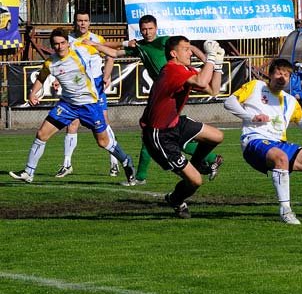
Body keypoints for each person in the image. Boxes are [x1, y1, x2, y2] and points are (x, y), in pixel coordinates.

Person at [86, 14, 223, 185]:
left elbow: (191, 49)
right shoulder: (141, 46)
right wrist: (95, 45)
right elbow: (114, 52)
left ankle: (142, 177)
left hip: (173, 83)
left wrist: (209, 60)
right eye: (144, 29)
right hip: (165, 89)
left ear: (156, 29)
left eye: (150, 29)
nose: (147, 32)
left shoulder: (164, 42)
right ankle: (207, 161)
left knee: (153, 135)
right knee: (163, 136)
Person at [223, 58, 302, 225]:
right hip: (254, 139)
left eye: (287, 75)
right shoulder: (256, 86)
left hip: (278, 143)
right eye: (279, 73)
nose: (282, 77)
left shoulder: (290, 100)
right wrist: (251, 116)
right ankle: (286, 211)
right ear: (270, 74)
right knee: (281, 157)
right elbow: (229, 102)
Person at [10, 28, 136, 185]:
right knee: (42, 134)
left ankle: (125, 160)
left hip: (89, 104)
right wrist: (32, 93)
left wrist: (128, 47)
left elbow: (111, 51)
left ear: (68, 43)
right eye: (56, 44)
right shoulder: (51, 63)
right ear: (52, 46)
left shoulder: (80, 51)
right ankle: (29, 172)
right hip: (68, 105)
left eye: (63, 43)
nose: (60, 47)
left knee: (103, 142)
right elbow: (41, 78)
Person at [139, 36, 224, 218]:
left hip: (175, 123)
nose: (190, 52)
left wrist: (218, 65)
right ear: (173, 53)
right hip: (159, 134)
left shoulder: (183, 69)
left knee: (216, 136)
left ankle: (197, 163)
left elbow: (213, 90)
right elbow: (202, 82)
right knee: (195, 181)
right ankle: (176, 199)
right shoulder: (172, 70)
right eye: (186, 49)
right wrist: (209, 57)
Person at [55, 11, 120, 179]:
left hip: (95, 86)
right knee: (72, 124)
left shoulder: (97, 40)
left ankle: (114, 162)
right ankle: (66, 164)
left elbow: (111, 56)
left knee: (104, 122)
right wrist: (58, 79)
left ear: (89, 22)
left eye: (85, 20)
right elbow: (60, 61)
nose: (82, 23)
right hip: (76, 88)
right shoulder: (68, 40)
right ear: (74, 22)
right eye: (79, 20)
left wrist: (106, 75)